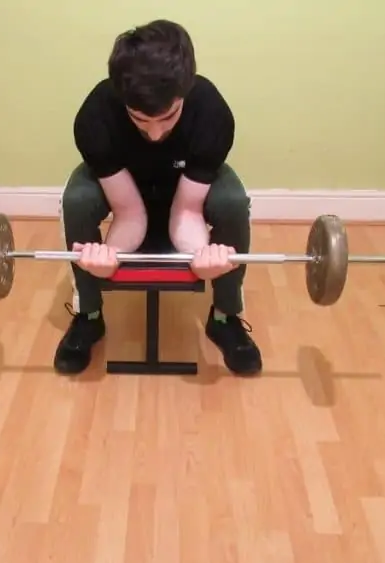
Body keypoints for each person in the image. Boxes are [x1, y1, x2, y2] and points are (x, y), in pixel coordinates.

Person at [55, 19, 262, 377]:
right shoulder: (94, 118)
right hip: (126, 190)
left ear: (184, 91)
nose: (155, 133)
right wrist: (109, 262)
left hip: (185, 188)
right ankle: (89, 313)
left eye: (167, 118)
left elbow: (187, 210)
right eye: (140, 120)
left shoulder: (212, 114)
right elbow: (129, 213)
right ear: (122, 99)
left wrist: (201, 261)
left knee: (231, 201)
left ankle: (225, 316)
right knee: (77, 199)